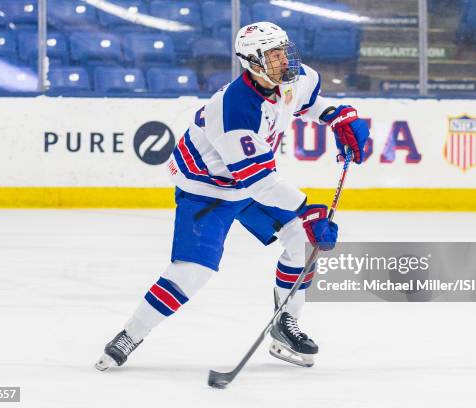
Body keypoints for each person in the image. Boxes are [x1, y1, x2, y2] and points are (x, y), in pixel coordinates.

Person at [95, 21, 369, 370]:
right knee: (191, 272)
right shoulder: (232, 109)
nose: (283, 59)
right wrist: (307, 208)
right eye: (272, 54)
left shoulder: (290, 78)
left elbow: (310, 102)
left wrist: (339, 118)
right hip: (207, 190)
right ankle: (131, 334)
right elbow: (259, 183)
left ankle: (285, 322)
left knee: (302, 240)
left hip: (251, 179)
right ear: (252, 63)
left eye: (283, 50)